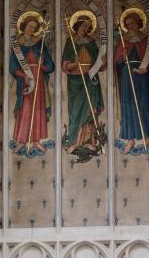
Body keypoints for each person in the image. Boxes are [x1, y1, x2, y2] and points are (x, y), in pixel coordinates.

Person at [114, 11, 149, 154]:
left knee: (143, 104)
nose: (130, 27)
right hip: (127, 75)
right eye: (127, 25)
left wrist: (146, 68)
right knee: (128, 106)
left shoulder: (146, 40)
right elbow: (117, 62)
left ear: (138, 23)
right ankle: (130, 139)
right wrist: (123, 58)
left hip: (143, 76)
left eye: (132, 23)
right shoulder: (123, 40)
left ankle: (146, 137)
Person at [9, 14, 55, 153]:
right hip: (25, 80)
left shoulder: (39, 43)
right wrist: (24, 76)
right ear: (23, 26)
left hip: (39, 79)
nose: (32, 29)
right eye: (30, 26)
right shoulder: (17, 44)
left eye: (34, 27)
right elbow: (13, 66)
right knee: (25, 108)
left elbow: (50, 65)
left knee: (38, 108)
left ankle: (36, 141)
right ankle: (22, 140)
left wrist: (42, 64)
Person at [62, 15, 105, 154]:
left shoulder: (91, 42)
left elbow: (100, 64)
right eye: (83, 26)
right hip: (76, 81)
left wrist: (102, 62)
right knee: (75, 112)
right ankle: (74, 141)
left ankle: (89, 141)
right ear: (77, 26)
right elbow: (65, 65)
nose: (85, 29)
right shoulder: (71, 42)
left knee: (90, 111)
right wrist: (75, 63)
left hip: (90, 78)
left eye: (88, 27)